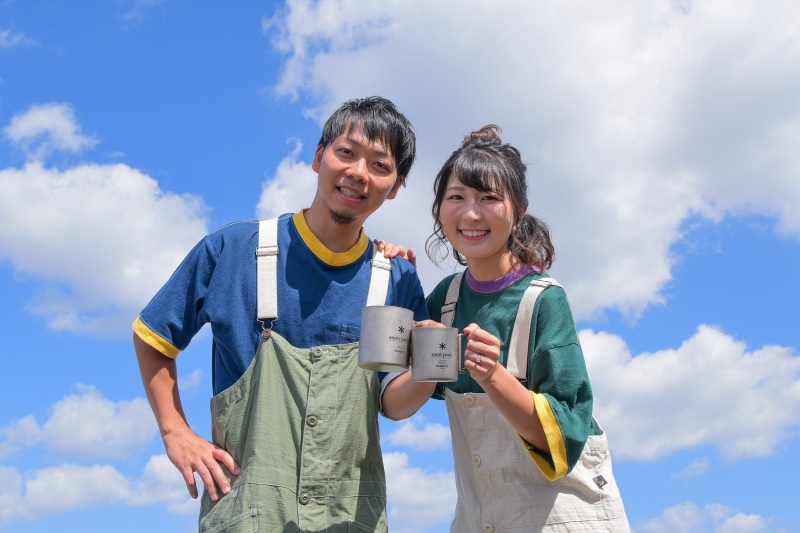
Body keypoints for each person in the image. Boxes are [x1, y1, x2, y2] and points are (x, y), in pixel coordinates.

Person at [132, 96, 427, 532]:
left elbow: (391, 403)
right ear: (318, 157)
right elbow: (153, 337)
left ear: (396, 185)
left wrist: (431, 366)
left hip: (350, 517)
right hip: (247, 513)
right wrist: (175, 431)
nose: (359, 173)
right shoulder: (232, 250)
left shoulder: (394, 280)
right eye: (346, 152)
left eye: (380, 165)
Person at [381, 125, 629, 532]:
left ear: (519, 209)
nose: (471, 214)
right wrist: (395, 273)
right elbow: (394, 405)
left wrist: (493, 375)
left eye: (489, 198)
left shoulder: (544, 299)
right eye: (456, 197)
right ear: (439, 208)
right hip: (480, 519)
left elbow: (565, 438)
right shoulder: (446, 300)